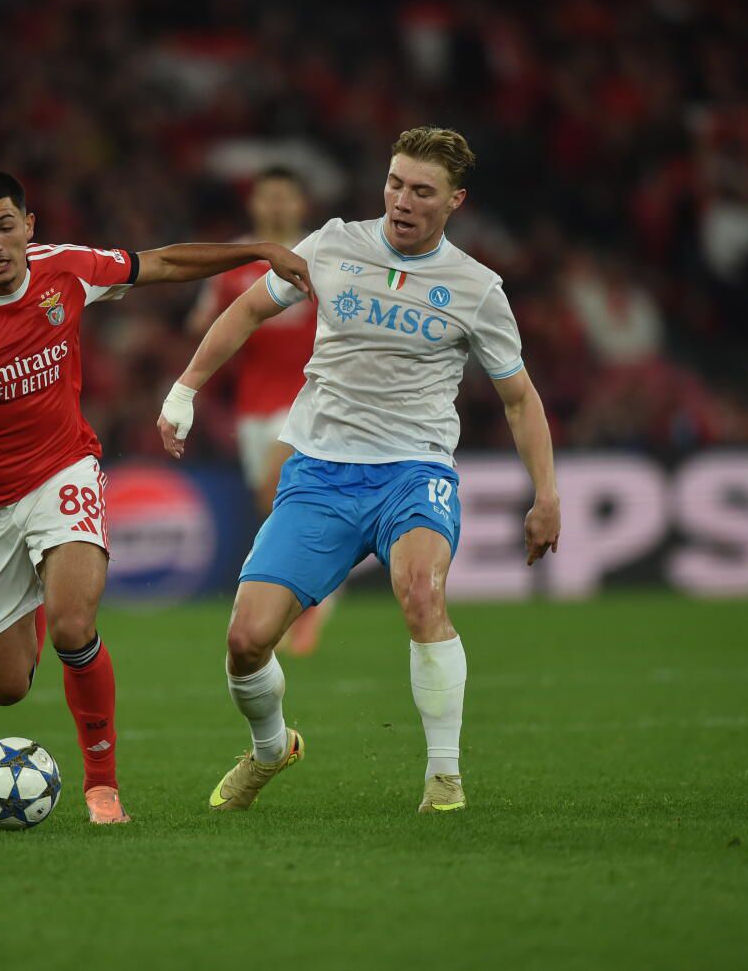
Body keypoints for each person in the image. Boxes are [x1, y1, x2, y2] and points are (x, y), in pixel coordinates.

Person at [158, 126, 561, 815]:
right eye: (395, 183)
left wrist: (546, 494)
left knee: (421, 596)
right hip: (319, 472)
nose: (402, 200)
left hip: (414, 470)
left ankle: (443, 779)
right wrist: (184, 389)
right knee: (247, 640)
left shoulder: (476, 287)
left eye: (422, 190)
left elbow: (519, 397)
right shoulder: (334, 245)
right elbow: (250, 307)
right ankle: (269, 748)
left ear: (454, 200)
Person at [0, 169, 312, 825]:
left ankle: (102, 787)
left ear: (28, 226)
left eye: (6, 225)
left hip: (63, 471)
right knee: (5, 688)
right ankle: (29, 592)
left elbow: (166, 261)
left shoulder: (67, 269)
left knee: (73, 624)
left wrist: (256, 249)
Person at [185, 167, 339, 656]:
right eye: (266, 197)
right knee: (273, 505)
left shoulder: (323, 257)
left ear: (300, 205)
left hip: (313, 396)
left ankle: (312, 607)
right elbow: (200, 324)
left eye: (284, 197)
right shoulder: (236, 261)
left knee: (281, 487)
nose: (275, 206)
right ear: (254, 205)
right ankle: (313, 597)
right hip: (253, 404)